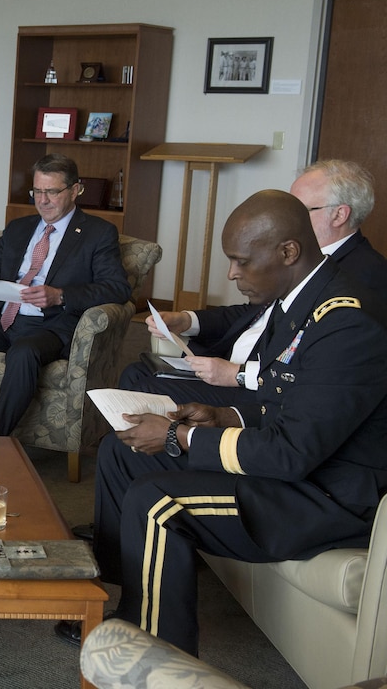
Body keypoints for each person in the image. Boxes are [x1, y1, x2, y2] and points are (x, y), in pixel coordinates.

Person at [55, 189, 387, 655]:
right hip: (304, 467)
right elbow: (283, 401)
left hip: (329, 495)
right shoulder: (302, 300)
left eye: (241, 261)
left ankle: (155, 655)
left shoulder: (345, 321)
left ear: (288, 252)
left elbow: (292, 453)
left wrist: (181, 436)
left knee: (158, 501)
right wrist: (222, 414)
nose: (232, 274)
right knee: (123, 450)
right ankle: (130, 596)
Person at [125, 159, 387, 406]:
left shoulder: (362, 277)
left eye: (298, 209)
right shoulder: (298, 259)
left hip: (259, 390)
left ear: (339, 215)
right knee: (135, 373)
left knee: (146, 391)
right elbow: (253, 314)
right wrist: (188, 320)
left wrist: (238, 373)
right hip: (229, 359)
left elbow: (319, 365)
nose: (285, 216)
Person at [0, 153, 131, 436]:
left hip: (51, 326)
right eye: (37, 192)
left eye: (52, 192)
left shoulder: (98, 233)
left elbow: (117, 288)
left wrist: (60, 295)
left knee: (24, 352)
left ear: (75, 190)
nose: (42, 200)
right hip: (3, 321)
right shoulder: (20, 228)